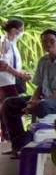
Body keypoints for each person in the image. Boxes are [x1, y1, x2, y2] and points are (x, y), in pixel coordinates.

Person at [2, 29, 56, 153]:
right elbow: (39, 87)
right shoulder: (43, 61)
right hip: (43, 100)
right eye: (44, 42)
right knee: (9, 104)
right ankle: (18, 144)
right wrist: (32, 101)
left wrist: (38, 103)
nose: (48, 44)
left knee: (42, 106)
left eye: (51, 41)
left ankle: (25, 141)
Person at [0, 19, 30, 149]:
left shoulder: (13, 43)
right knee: (11, 107)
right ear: (14, 30)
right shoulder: (4, 42)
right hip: (5, 82)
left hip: (11, 80)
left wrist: (21, 73)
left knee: (9, 107)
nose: (22, 32)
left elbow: (11, 64)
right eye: (21, 29)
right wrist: (19, 75)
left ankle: (11, 139)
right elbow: (2, 64)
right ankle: (11, 139)